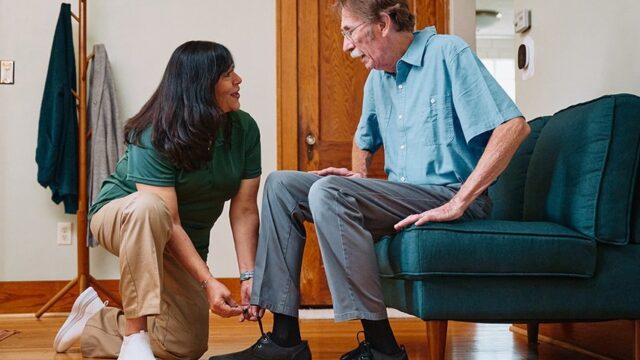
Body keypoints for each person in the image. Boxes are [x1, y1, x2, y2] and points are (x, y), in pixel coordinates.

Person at [211, 1, 531, 360]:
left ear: (382, 23)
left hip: (447, 193)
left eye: (350, 31)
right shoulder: (378, 78)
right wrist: (358, 178)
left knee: (329, 192)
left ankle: (383, 348)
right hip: (404, 196)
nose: (346, 45)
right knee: (281, 185)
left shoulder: (447, 53)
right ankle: (284, 340)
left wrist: (460, 202)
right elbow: (363, 140)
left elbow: (514, 127)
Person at [53, 40, 262, 360]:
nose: (238, 80)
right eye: (227, 75)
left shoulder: (244, 129)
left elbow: (245, 209)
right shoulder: (155, 131)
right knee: (149, 207)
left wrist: (249, 277)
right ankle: (134, 337)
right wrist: (207, 281)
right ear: (200, 86)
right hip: (122, 215)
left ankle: (97, 321)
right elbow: (168, 218)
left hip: (179, 240)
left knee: (184, 345)